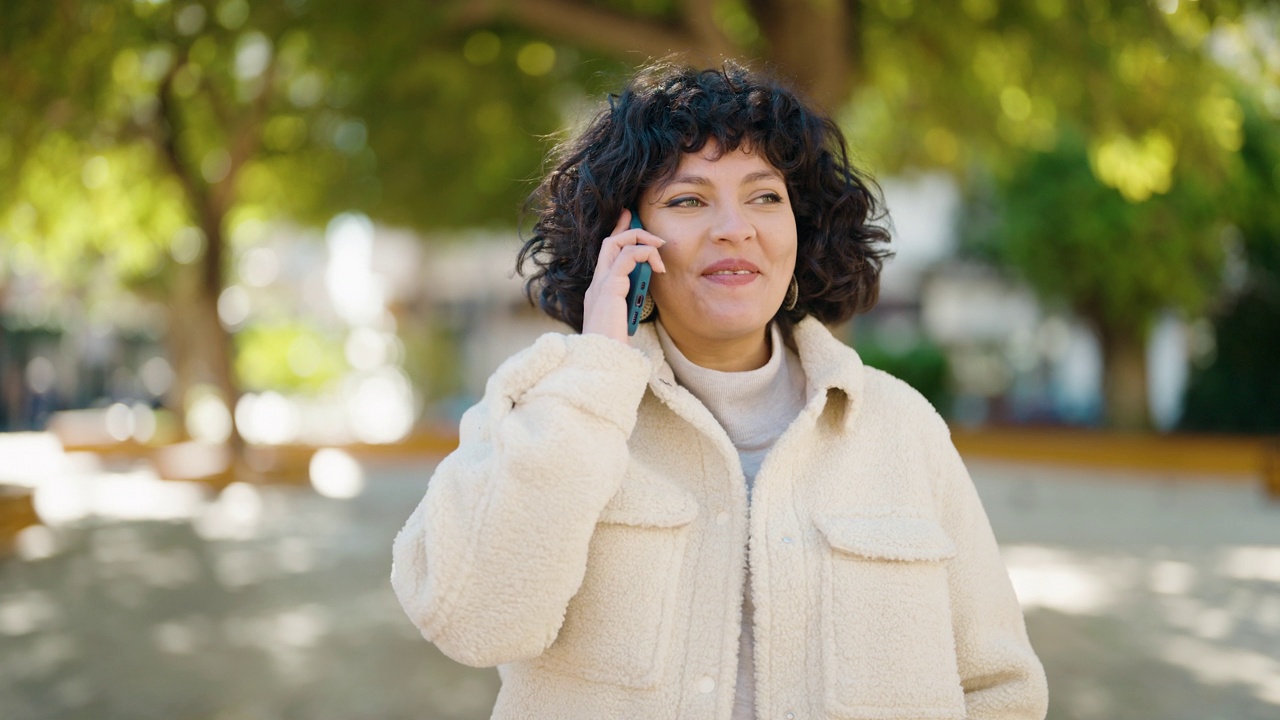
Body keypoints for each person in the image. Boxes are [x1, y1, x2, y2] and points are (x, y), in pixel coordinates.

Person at [392, 60, 1048, 720]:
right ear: (622, 240)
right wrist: (597, 370)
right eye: (687, 200)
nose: (735, 226)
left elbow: (1000, 686)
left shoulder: (902, 427)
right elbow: (472, 621)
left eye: (765, 197)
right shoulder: (549, 404)